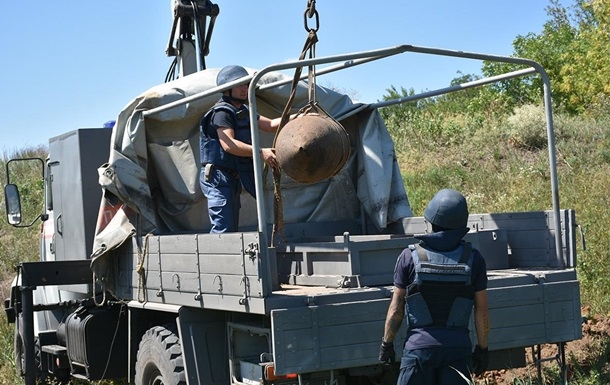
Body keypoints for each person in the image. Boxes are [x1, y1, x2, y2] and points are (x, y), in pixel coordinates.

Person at [379, 188, 490, 384]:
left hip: (418, 353)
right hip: (457, 352)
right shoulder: (474, 259)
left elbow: (396, 310)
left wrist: (386, 343)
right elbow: (481, 311)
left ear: (429, 221)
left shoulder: (409, 257)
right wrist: (482, 348)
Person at [200, 65, 282, 233]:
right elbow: (228, 144)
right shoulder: (222, 113)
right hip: (218, 177)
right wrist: (260, 152)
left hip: (231, 176)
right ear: (227, 89)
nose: (245, 89)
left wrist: (300, 116)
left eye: (246, 84)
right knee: (223, 229)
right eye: (240, 85)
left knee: (230, 228)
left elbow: (271, 125)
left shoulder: (243, 111)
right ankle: (217, 259)